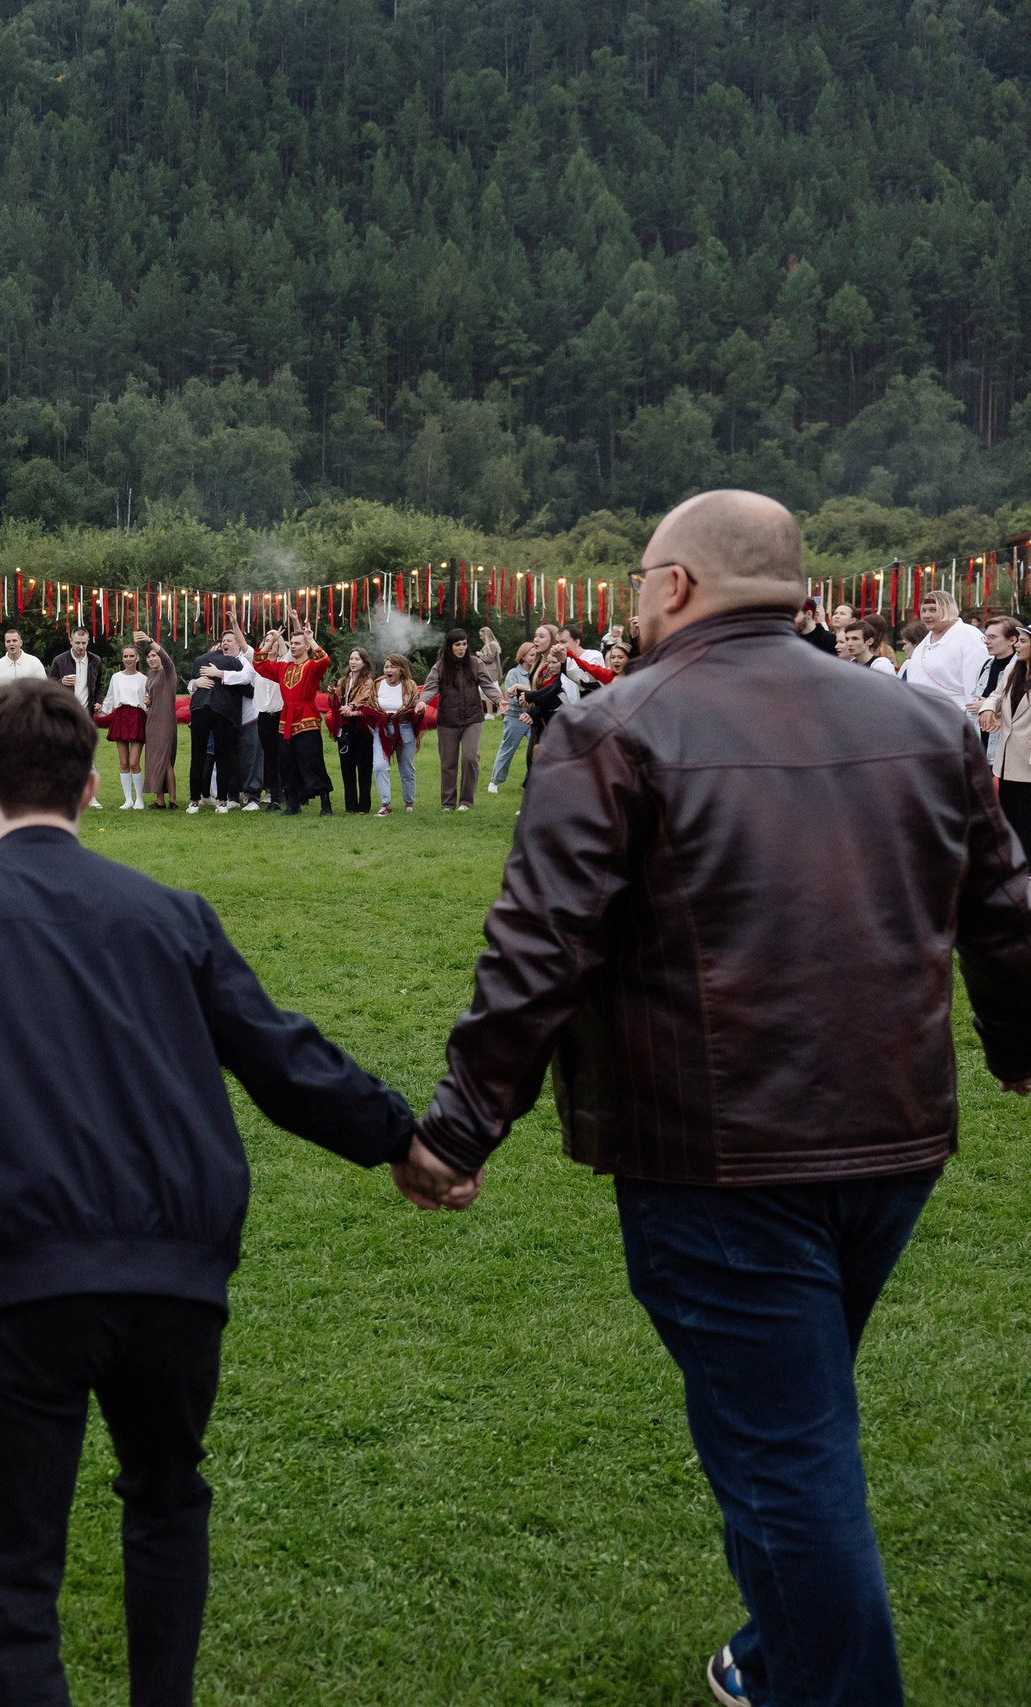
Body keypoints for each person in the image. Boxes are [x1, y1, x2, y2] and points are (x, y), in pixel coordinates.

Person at [412, 490, 1031, 1707]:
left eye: (642, 579)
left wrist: (456, 1128)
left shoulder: (612, 728)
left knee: (785, 1452)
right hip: (893, 1141)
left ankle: (833, 1685)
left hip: (718, 1155)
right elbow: (1005, 914)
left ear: (677, 586)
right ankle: (771, 1655)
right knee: (779, 1425)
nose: (636, 602)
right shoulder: (924, 725)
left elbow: (538, 953)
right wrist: (1020, 1043)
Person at [0, 678, 436, 1707]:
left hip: (15, 1283)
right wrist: (400, 1140)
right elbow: (283, 1058)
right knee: (163, 1498)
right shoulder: (167, 916)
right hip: (172, 1274)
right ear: (94, 785)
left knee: (11, 1576)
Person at [252, 620, 334, 815]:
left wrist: (311, 639)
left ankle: (325, 803)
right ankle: (293, 803)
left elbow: (324, 660)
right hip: (286, 720)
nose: (294, 646)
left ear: (306, 646)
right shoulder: (283, 668)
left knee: (312, 761)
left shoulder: (312, 667)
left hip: (307, 718)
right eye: (292, 643)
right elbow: (259, 664)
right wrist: (270, 642)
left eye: (298, 643)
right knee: (287, 763)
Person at [426, 627, 494, 810]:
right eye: (457, 644)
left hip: (473, 719)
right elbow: (429, 688)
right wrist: (421, 702)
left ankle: (465, 802)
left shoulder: (476, 664)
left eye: (464, 644)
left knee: (470, 758)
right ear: (450, 646)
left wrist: (500, 701)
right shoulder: (440, 667)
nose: (462, 648)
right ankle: (448, 803)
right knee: (448, 763)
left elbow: (488, 686)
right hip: (448, 721)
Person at [185, 632, 252, 813]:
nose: (225, 644)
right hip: (223, 712)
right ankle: (222, 801)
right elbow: (248, 689)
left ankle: (194, 801)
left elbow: (192, 684)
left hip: (200, 709)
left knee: (198, 756)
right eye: (224, 641)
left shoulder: (201, 660)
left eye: (228, 641)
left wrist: (199, 681)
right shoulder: (235, 663)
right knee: (223, 758)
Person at [899, 589, 986, 712]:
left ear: (947, 610)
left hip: (954, 717)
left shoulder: (969, 636)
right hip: (922, 716)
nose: (926, 615)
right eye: (923, 610)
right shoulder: (925, 641)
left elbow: (976, 685)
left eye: (933, 610)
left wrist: (970, 720)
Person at [981, 640, 1031, 850]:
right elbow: (997, 694)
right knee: (1010, 809)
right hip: (1008, 755)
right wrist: (988, 708)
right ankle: (1017, 859)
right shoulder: (1014, 667)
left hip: (1027, 756)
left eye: (1023, 641)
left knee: (1027, 811)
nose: (1017, 645)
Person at [96, 643, 150, 807]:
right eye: (125, 656)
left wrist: (148, 703)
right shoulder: (116, 677)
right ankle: (128, 800)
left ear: (138, 658)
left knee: (134, 762)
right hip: (120, 716)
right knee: (124, 763)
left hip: (137, 717)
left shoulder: (144, 679)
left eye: (131, 656)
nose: (128, 659)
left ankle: (139, 799)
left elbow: (147, 702)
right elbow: (111, 698)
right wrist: (100, 710)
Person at [370, 653, 424, 814]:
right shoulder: (377, 684)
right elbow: (371, 705)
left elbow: (416, 705)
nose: (389, 669)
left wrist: (419, 710)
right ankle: (385, 805)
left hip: (404, 727)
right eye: (387, 666)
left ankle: (409, 802)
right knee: (379, 766)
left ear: (401, 669)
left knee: (406, 769)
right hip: (383, 729)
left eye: (393, 666)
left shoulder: (409, 685)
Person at [330, 648, 375, 816]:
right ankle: (350, 806)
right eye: (351, 659)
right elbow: (337, 700)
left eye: (357, 659)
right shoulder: (343, 680)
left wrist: (352, 706)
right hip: (345, 727)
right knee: (346, 767)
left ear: (364, 662)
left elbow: (365, 698)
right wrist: (331, 695)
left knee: (364, 768)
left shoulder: (368, 682)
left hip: (362, 728)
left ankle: (363, 806)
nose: (353, 662)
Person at [489, 642, 537, 793]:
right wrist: (529, 698)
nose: (534, 657)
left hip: (534, 717)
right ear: (522, 657)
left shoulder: (538, 672)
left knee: (538, 751)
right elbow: (511, 698)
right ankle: (495, 782)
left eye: (536, 654)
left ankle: (532, 784)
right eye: (531, 655)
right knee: (508, 749)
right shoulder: (513, 674)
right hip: (515, 717)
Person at [142, 640, 183, 808]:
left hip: (165, 721)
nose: (151, 659)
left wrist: (151, 641)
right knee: (154, 760)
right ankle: (160, 801)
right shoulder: (151, 675)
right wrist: (147, 701)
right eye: (148, 656)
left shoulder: (168, 672)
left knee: (165, 761)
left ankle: (172, 801)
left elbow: (168, 660)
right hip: (152, 721)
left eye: (154, 655)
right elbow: (152, 697)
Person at [245, 634, 283, 804]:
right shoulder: (257, 666)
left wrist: (296, 624)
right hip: (264, 715)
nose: (271, 644)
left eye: (274, 641)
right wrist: (235, 625)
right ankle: (274, 795)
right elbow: (245, 648)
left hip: (281, 714)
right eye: (267, 640)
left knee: (285, 755)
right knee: (270, 756)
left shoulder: (285, 662)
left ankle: (290, 792)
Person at [49, 626, 110, 715]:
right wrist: (61, 682)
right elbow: (50, 686)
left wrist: (98, 702)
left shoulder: (95, 660)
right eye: (77, 643)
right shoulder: (59, 660)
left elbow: (98, 686)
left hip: (86, 713)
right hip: (65, 712)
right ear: (71, 641)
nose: (81, 646)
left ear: (88, 641)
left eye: (84, 643)